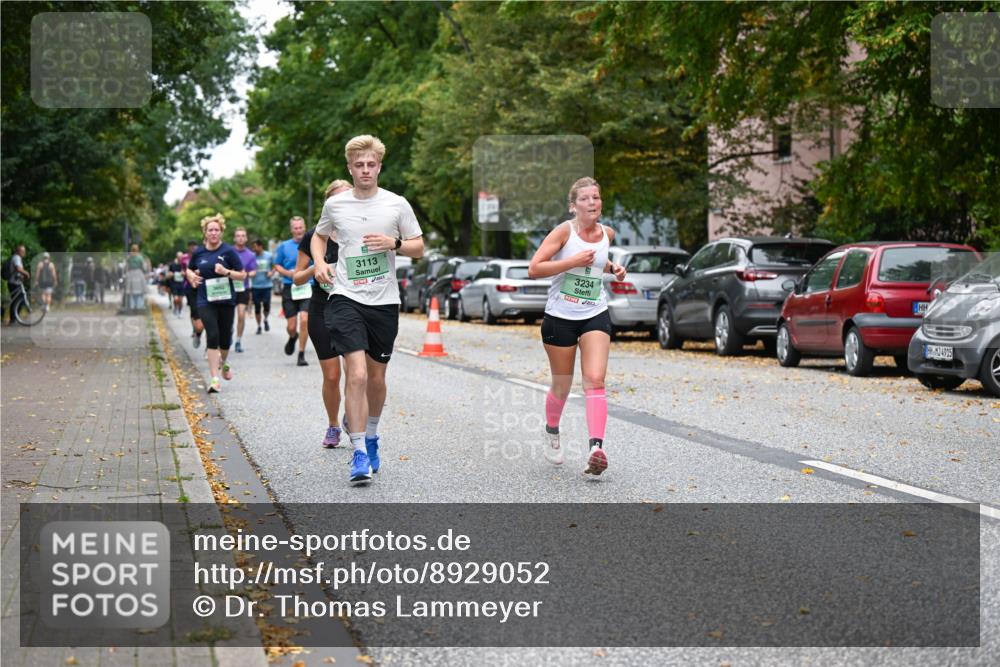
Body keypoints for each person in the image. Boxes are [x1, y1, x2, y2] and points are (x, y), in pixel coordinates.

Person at [312, 135, 424, 484]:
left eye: (370, 164)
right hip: (345, 296)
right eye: (358, 164)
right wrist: (319, 262)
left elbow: (419, 248)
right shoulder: (336, 206)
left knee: (376, 378)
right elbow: (319, 236)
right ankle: (358, 452)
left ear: (379, 166)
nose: (365, 169)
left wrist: (395, 243)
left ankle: (372, 434)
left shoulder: (396, 204)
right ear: (350, 167)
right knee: (356, 374)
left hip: (384, 301)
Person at [527, 177, 626, 476]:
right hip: (560, 316)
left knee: (595, 379)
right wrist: (569, 262)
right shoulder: (563, 232)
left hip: (595, 312)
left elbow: (599, 261)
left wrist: (613, 268)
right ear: (574, 205)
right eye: (585, 198)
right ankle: (552, 431)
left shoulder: (607, 233)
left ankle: (596, 448)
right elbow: (535, 269)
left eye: (596, 197)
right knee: (563, 384)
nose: (592, 203)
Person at [294, 179, 352, 449]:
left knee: (356, 372)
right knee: (332, 375)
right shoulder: (314, 235)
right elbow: (296, 278)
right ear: (328, 204)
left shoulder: (361, 229)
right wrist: (318, 267)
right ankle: (333, 425)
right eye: (337, 200)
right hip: (322, 306)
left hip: (354, 306)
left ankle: (353, 417)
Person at [185, 214, 246, 394]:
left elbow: (242, 275)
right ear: (205, 232)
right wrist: (191, 277)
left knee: (225, 338)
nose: (213, 233)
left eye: (216, 230)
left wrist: (226, 272)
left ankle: (224, 362)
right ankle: (214, 379)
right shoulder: (199, 253)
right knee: (212, 335)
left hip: (226, 300)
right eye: (210, 230)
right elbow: (189, 269)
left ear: (221, 232)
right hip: (206, 300)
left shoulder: (229, 252)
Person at [274, 216, 311, 366]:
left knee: (304, 320)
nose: (298, 230)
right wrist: (289, 273)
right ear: (291, 230)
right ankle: (292, 336)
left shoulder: (311, 244)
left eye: (300, 227)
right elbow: (277, 265)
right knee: (291, 326)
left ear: (304, 227)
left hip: (307, 286)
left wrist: (305, 272)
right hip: (290, 287)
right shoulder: (284, 246)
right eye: (295, 228)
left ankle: (301, 354)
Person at [231, 227, 258, 353]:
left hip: (243, 287)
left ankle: (238, 340)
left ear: (246, 238)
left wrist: (247, 274)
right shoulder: (228, 252)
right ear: (234, 238)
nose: (240, 238)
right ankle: (228, 334)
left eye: (243, 235)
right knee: (227, 316)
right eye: (238, 235)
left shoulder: (251, 254)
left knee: (241, 314)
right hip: (229, 288)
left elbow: (254, 271)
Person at [182, 240, 204, 347]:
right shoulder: (184, 258)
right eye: (191, 246)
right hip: (189, 287)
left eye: (194, 246)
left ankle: (199, 332)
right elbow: (183, 270)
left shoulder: (202, 255)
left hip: (202, 286)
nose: (193, 248)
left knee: (205, 313)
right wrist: (185, 273)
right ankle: (195, 330)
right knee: (194, 310)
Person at [250, 239, 273, 334]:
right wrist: (250, 272)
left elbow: (275, 266)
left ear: (260, 246)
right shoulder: (252, 257)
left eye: (255, 247)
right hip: (255, 286)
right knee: (257, 307)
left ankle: (266, 319)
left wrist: (271, 273)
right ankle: (259, 326)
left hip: (267, 285)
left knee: (266, 305)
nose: (253, 249)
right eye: (253, 247)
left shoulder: (269, 256)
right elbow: (247, 268)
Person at [5, 244, 30, 324]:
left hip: (15, 282)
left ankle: (14, 319)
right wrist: (26, 273)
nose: (24, 253)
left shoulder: (16, 258)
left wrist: (22, 276)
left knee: (17, 301)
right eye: (23, 251)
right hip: (14, 283)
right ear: (19, 251)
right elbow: (18, 269)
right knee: (18, 301)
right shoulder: (16, 258)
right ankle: (13, 319)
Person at [124, 244, 150, 312]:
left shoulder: (128, 257)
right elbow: (144, 267)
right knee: (140, 292)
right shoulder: (140, 257)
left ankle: (132, 306)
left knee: (131, 292)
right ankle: (139, 306)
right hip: (138, 273)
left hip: (130, 274)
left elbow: (126, 267)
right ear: (138, 249)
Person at [168, 251, 186, 316]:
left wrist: (184, 273)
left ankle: (180, 311)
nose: (180, 258)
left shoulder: (184, 264)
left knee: (180, 300)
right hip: (174, 284)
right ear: (177, 256)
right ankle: (175, 308)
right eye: (179, 256)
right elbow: (169, 274)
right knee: (176, 299)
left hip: (182, 284)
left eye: (181, 256)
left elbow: (187, 273)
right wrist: (171, 274)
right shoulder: (172, 265)